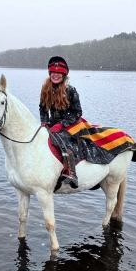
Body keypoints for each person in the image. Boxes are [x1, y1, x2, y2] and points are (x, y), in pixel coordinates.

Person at [39, 56, 82, 189]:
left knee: (62, 140)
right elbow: (43, 108)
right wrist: (44, 122)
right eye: (53, 72)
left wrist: (62, 124)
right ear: (50, 74)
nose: (56, 75)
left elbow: (77, 112)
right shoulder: (46, 89)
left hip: (70, 123)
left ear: (64, 75)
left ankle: (71, 173)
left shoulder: (71, 90)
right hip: (52, 123)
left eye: (59, 73)